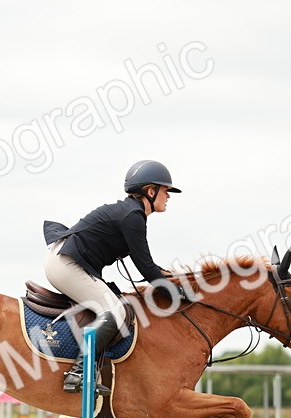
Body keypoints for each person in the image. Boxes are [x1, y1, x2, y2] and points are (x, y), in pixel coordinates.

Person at [42, 159, 188, 395]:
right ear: (150, 192)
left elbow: (148, 265)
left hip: (64, 260)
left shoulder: (131, 213)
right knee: (115, 311)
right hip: (65, 263)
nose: (168, 196)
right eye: (165, 191)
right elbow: (146, 269)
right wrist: (175, 291)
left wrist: (171, 279)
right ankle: (79, 373)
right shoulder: (133, 217)